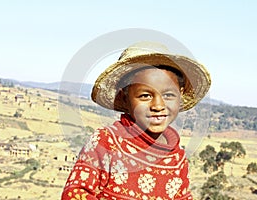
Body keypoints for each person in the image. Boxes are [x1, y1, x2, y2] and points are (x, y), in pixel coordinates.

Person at [61, 41, 211, 200]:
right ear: (124, 97)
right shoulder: (106, 142)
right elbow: (74, 194)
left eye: (168, 95)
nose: (158, 105)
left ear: (180, 95)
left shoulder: (177, 158)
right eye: (145, 96)